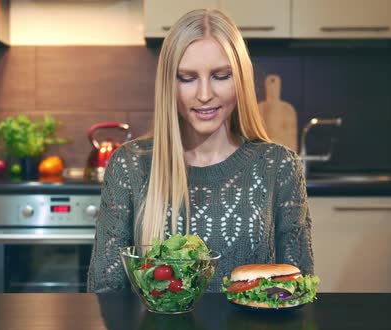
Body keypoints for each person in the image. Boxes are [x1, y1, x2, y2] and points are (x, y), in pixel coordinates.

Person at [87, 8, 313, 293]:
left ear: (240, 80)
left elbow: (297, 288)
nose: (204, 94)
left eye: (220, 76)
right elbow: (105, 292)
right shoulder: (129, 165)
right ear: (169, 84)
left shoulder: (279, 165)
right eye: (187, 78)